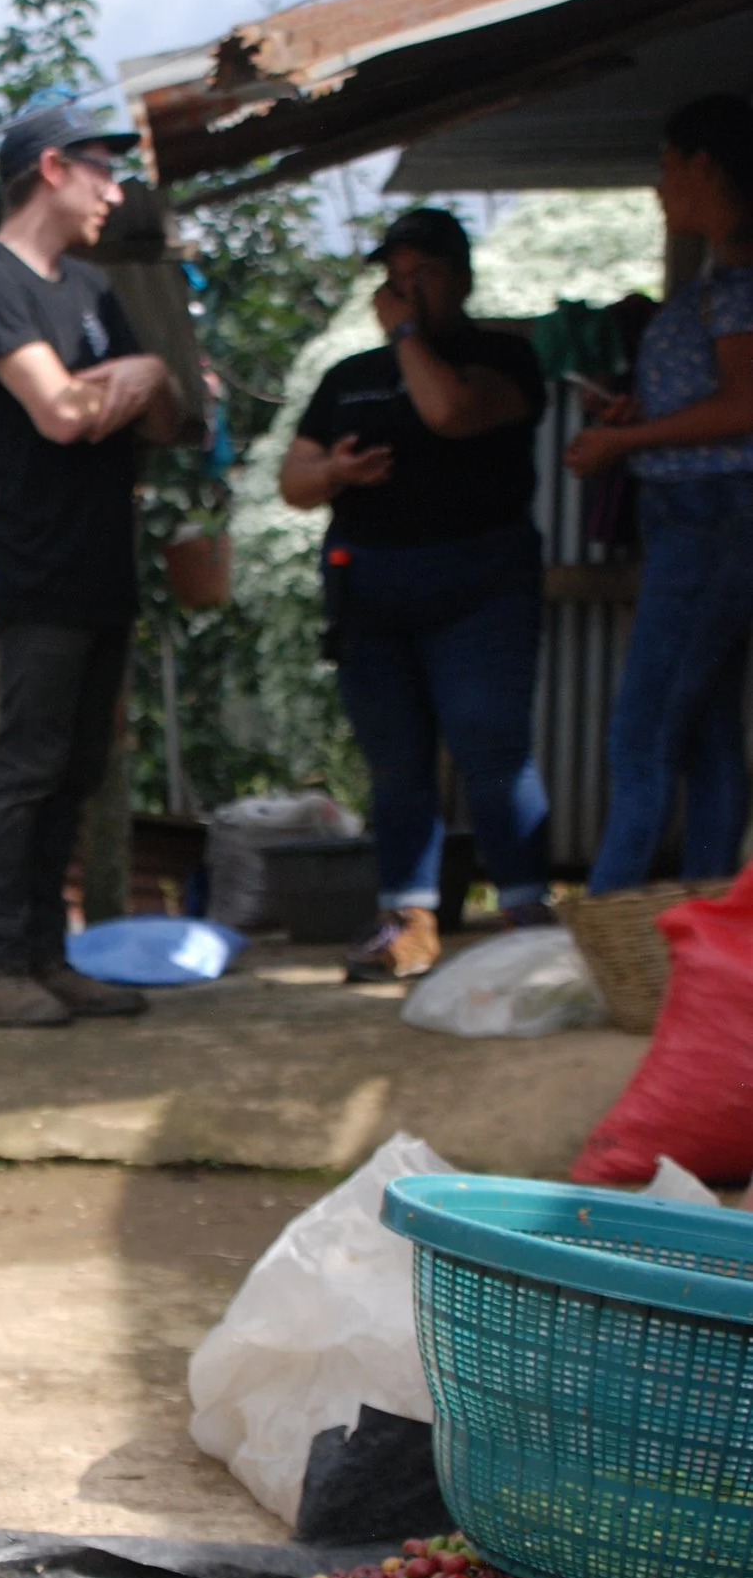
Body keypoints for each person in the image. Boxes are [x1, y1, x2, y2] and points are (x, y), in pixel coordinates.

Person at [0, 101, 188, 1027]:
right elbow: (58, 414)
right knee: (29, 764)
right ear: (51, 168)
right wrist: (135, 377)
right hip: (38, 567)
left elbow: (161, 415)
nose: (114, 191)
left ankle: (49, 957)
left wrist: (143, 380)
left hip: (102, 566)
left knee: (79, 767)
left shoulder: (89, 287)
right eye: (102, 169)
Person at [279, 205, 552, 982]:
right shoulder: (349, 379)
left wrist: (406, 336)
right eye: (393, 278)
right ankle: (408, 919)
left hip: (480, 588)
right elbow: (293, 480)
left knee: (490, 747)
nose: (404, 291)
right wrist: (335, 473)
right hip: (372, 593)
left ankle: (527, 910)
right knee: (396, 764)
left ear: (460, 278)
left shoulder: (502, 358)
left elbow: (449, 411)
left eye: (422, 275)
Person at [565, 94, 753, 893]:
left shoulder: (739, 280)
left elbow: (745, 405)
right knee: (706, 734)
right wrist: (644, 415)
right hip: (704, 516)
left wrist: (625, 442)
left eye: (668, 167)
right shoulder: (720, 275)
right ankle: (707, 919)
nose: (661, 186)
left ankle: (609, 914)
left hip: (711, 517)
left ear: (704, 166)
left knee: (642, 732)